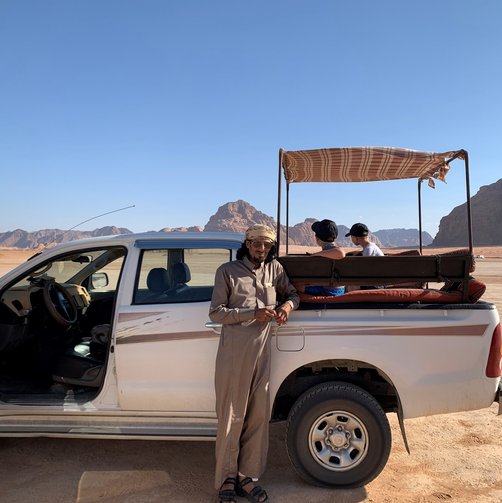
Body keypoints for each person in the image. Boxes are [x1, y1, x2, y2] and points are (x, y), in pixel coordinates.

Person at [209, 224, 299, 503]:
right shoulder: (228, 272)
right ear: (247, 244)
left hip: (263, 353)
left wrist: (287, 307)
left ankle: (247, 477)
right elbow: (216, 312)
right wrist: (253, 313)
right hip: (235, 354)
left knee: (258, 415)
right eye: (257, 243)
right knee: (232, 417)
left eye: (267, 245)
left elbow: (293, 294)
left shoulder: (276, 270)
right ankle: (227, 478)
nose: (262, 249)